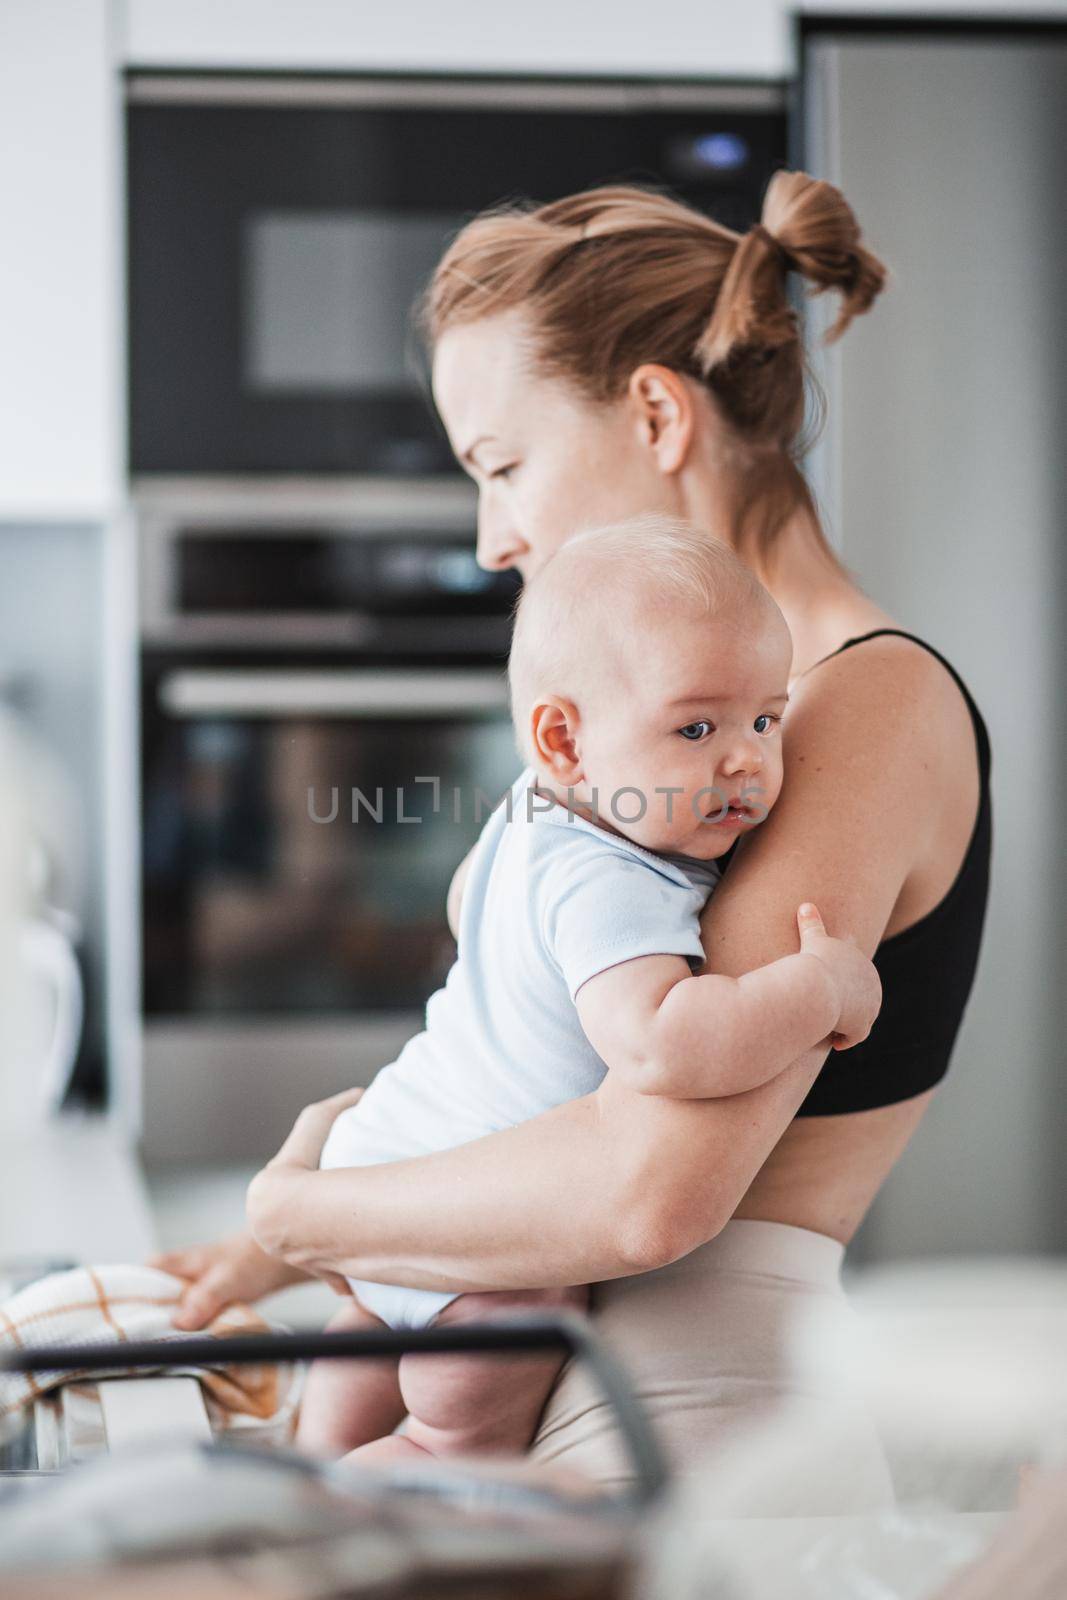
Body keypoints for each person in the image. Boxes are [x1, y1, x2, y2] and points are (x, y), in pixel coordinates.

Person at [153, 169, 992, 1511]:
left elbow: (643, 1189)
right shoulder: (653, 741)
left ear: (656, 413)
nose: (493, 539)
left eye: (502, 466)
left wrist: (310, 1219)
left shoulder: (852, 706)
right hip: (556, 1380)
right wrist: (295, 1244)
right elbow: (527, 1047)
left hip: (683, 1431)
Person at [291, 517, 880, 1462]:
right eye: (695, 726)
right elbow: (663, 1045)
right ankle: (371, 1493)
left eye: (765, 719)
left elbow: (472, 915)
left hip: (387, 1172)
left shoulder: (531, 814)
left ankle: (303, 1473)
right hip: (488, 1242)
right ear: (562, 740)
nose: (746, 759)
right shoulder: (610, 878)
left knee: (354, 1377)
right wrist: (820, 991)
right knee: (457, 1445)